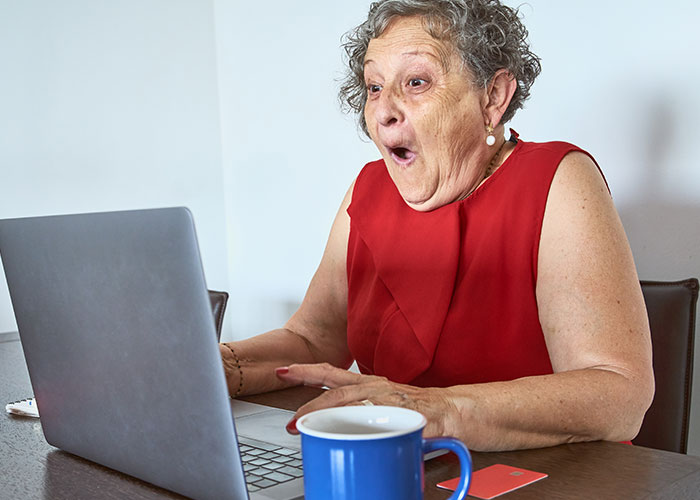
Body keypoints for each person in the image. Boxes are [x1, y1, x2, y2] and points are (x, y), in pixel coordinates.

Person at [219, 0, 654, 452]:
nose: (384, 110)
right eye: (373, 87)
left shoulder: (558, 179)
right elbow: (312, 340)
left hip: (544, 477)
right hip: (396, 463)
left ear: (493, 97)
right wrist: (222, 364)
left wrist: (442, 410)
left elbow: (619, 394)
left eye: (416, 81)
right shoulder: (369, 188)